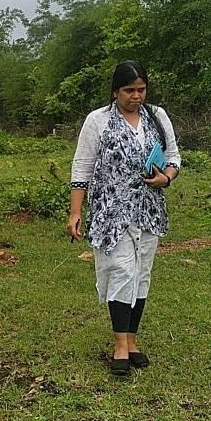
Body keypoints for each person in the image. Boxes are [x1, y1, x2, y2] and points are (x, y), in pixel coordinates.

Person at [68, 61, 181, 375]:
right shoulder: (98, 120)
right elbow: (82, 167)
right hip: (111, 212)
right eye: (129, 90)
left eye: (141, 89)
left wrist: (166, 178)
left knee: (141, 274)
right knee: (121, 271)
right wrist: (75, 211)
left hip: (148, 209)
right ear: (115, 91)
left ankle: (132, 340)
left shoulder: (157, 116)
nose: (136, 96)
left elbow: (173, 155)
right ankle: (119, 343)